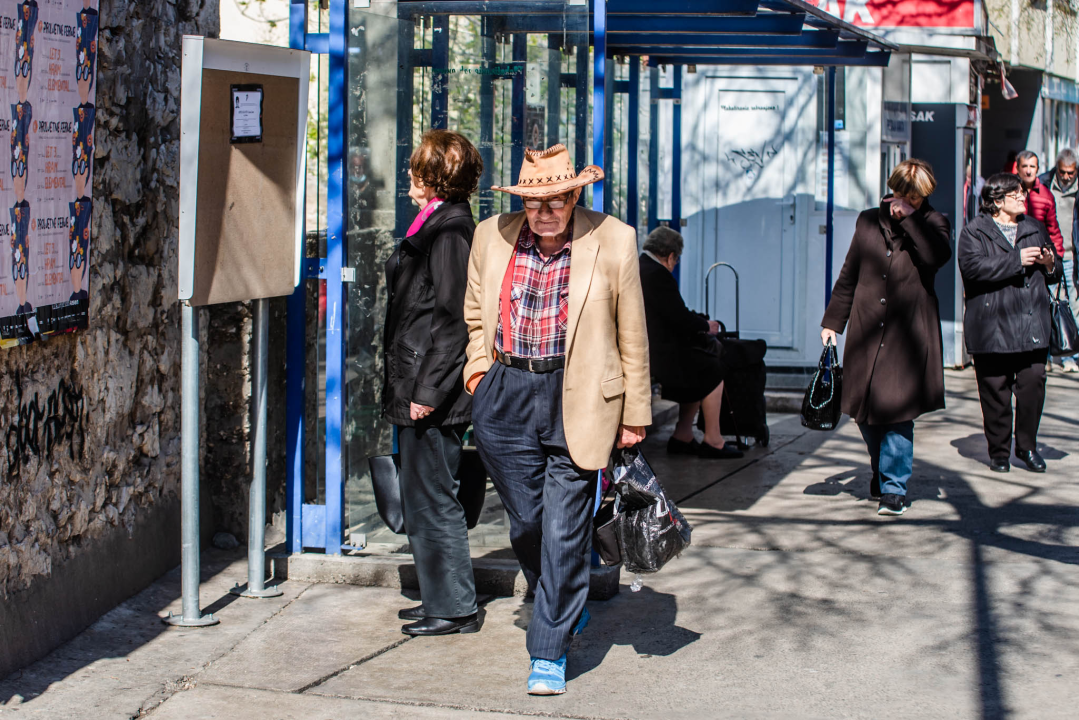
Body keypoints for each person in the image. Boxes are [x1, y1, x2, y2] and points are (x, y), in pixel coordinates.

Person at [463, 144, 650, 695]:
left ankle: (548, 649)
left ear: (574, 196)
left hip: (581, 396)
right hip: (506, 393)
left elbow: (631, 332)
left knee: (565, 528)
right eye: (534, 201)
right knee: (526, 522)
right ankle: (560, 601)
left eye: (556, 200)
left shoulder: (614, 238)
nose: (544, 211)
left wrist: (634, 413)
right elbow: (475, 311)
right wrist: (479, 371)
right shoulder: (490, 235)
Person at [382, 129, 483, 636]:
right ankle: (441, 598)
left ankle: (454, 608)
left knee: (433, 494)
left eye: (416, 166)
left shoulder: (449, 232)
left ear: (433, 175)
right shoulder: (437, 224)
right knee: (422, 492)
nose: (408, 174)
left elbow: (454, 318)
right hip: (417, 380)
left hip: (429, 388)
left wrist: (427, 393)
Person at [821, 159, 952, 516]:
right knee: (864, 412)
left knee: (897, 412)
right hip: (866, 328)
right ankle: (882, 471)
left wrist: (910, 218)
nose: (907, 200)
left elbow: (936, 257)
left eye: (915, 196)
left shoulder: (934, 223)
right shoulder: (867, 221)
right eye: (901, 193)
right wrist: (833, 321)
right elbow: (849, 273)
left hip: (908, 332)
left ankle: (894, 487)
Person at [958, 173, 1061, 473]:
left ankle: (1027, 446)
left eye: (1022, 193)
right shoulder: (974, 231)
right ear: (997, 200)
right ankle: (999, 452)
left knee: (1033, 384)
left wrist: (1047, 262)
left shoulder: (1033, 227)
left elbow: (1054, 273)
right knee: (995, 393)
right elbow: (973, 269)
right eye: (1015, 194)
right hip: (992, 325)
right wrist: (1018, 260)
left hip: (1031, 323)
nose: (1022, 197)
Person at [638, 226, 743, 459]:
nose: (675, 265)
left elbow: (672, 313)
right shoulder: (658, 274)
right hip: (655, 354)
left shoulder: (641, 267)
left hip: (648, 349)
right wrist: (707, 326)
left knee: (698, 364)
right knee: (712, 369)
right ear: (671, 255)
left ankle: (683, 435)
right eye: (676, 260)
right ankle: (713, 440)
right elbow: (679, 317)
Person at [1038, 148, 1079, 373]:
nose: (1066, 177)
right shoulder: (1044, 184)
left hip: (1073, 255)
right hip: (1051, 255)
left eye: (1070, 173)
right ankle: (1047, 354)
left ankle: (1070, 355)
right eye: (1062, 172)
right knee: (1048, 304)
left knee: (1072, 305)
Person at [1016, 150, 1065, 258]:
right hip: (1016, 254)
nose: (1028, 171)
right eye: (1024, 166)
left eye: (1032, 166)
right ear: (1017, 168)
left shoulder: (1046, 195)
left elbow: (1053, 230)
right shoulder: (1010, 193)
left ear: (1037, 169)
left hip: (1039, 255)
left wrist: (1057, 257)